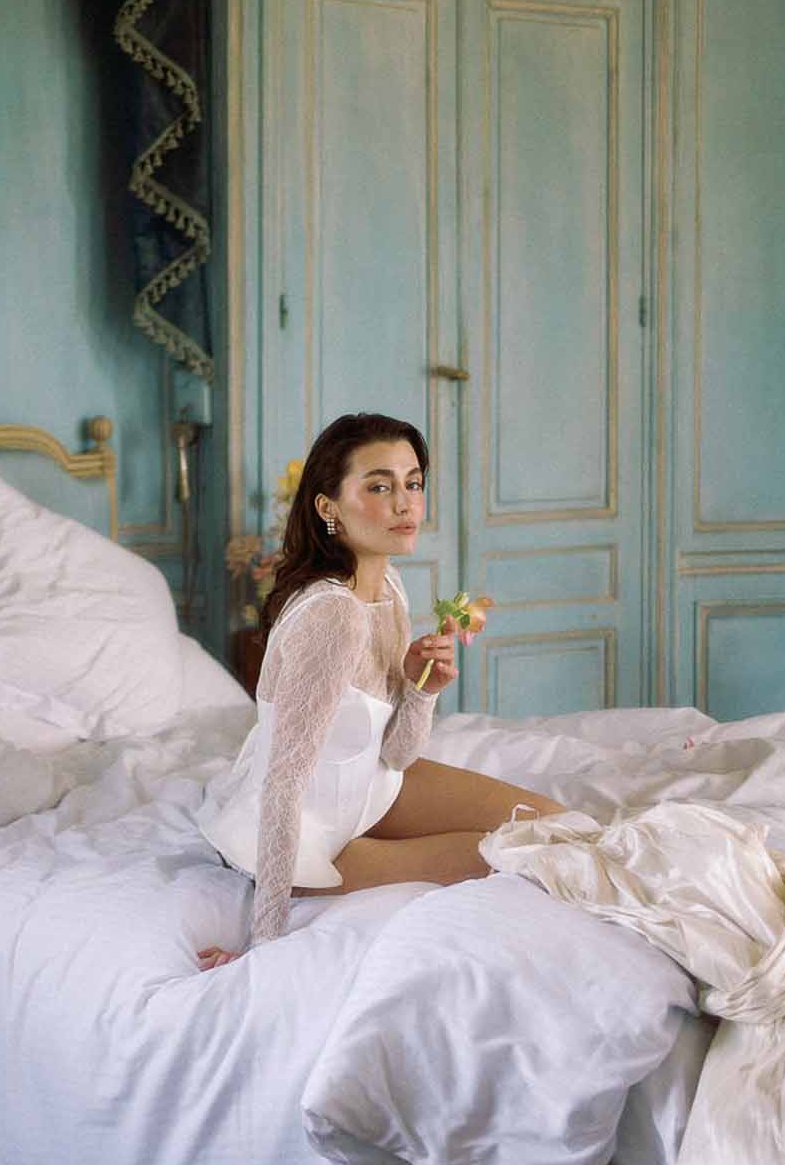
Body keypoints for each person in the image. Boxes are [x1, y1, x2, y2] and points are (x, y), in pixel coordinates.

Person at [196, 412, 563, 968]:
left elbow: (396, 753)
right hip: (308, 834)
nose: (405, 504)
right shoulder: (331, 616)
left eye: (413, 483)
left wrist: (424, 690)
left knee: (553, 826)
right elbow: (283, 783)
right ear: (328, 506)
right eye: (379, 486)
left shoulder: (388, 587)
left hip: (369, 788)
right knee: (514, 856)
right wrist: (261, 948)